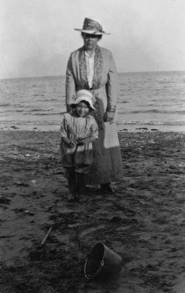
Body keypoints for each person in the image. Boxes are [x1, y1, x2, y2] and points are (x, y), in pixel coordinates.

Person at [65, 17, 122, 193]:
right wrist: (70, 109)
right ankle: (82, 183)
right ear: (82, 36)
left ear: (99, 38)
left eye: (93, 36)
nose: (89, 39)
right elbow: (70, 82)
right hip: (81, 103)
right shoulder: (74, 56)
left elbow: (113, 82)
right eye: (86, 36)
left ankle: (105, 183)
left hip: (101, 101)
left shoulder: (107, 55)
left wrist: (111, 108)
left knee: (104, 142)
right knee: (83, 141)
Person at [60, 89, 98, 201]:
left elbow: (95, 135)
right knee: (70, 171)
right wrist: (68, 141)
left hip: (83, 149)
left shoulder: (90, 120)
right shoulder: (67, 118)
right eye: (80, 106)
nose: (82, 109)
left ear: (90, 109)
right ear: (75, 106)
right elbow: (63, 133)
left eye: (86, 107)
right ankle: (71, 192)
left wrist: (86, 140)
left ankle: (80, 192)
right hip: (69, 149)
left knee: (81, 171)